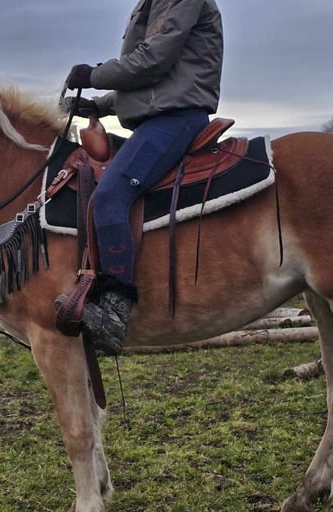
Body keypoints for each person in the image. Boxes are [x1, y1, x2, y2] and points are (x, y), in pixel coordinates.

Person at [59, 0, 224, 355]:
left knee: (108, 197)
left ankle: (116, 309)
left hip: (176, 119)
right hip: (161, 116)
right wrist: (99, 106)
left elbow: (152, 61)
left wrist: (92, 75)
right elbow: (158, 81)